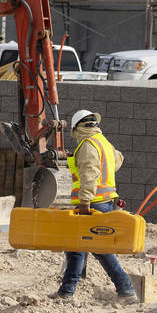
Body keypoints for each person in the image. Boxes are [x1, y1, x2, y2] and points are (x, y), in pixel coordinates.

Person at [52, 109, 138, 302]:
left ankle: (125, 289)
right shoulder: (103, 143)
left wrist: (85, 202)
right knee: (84, 248)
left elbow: (90, 174)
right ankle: (67, 292)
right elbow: (117, 160)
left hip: (93, 204)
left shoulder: (88, 144)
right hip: (105, 202)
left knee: (89, 248)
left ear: (76, 128)